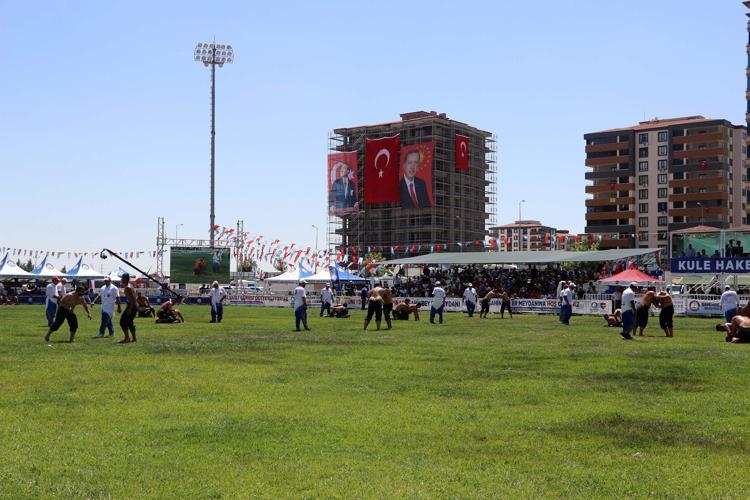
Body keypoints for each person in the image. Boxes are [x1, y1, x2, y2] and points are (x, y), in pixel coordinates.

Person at [119, 273, 138, 343]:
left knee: (122, 321)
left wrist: (130, 308)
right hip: (133, 305)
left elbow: (133, 299)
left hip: (131, 306)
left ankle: (127, 338)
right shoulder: (130, 286)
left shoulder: (127, 288)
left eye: (122, 278)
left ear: (125, 279)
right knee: (130, 322)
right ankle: (134, 338)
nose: (121, 279)